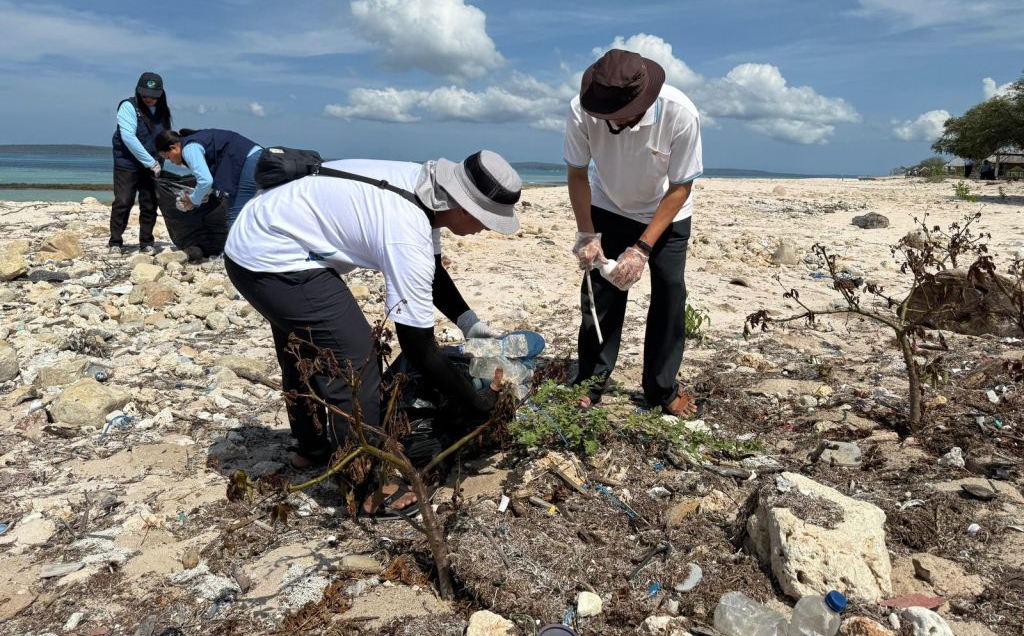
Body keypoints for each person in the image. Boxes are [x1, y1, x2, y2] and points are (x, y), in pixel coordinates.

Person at [223, 150, 521, 514]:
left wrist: (469, 323)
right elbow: (418, 347)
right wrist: (476, 403)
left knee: (301, 348)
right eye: (487, 220)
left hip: (261, 235)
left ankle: (311, 447)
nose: (487, 228)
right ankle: (366, 486)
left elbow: (434, 271)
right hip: (270, 255)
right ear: (464, 208)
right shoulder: (407, 230)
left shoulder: (425, 188)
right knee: (355, 358)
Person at [563, 48, 703, 417]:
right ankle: (591, 382)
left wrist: (641, 249)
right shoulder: (582, 109)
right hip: (609, 203)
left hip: (666, 210)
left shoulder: (680, 113)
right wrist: (586, 233)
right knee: (601, 292)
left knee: (670, 294)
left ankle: (661, 389)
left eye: (616, 116)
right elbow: (578, 174)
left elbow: (680, 187)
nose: (607, 122)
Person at [109, 72, 172, 255]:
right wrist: (150, 162)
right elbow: (128, 137)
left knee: (150, 203)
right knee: (123, 201)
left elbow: (165, 137)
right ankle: (115, 242)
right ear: (138, 92)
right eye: (144, 95)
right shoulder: (128, 106)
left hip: (153, 164)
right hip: (127, 163)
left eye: (153, 96)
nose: (149, 99)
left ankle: (146, 242)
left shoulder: (162, 111)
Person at [155, 129, 264, 227]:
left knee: (235, 214)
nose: (172, 162)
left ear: (173, 148)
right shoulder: (195, 141)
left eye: (168, 158)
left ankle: (236, 249)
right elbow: (209, 179)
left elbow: (205, 181)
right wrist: (203, 195)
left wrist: (192, 200)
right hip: (255, 157)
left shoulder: (188, 148)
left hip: (248, 162)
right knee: (251, 211)